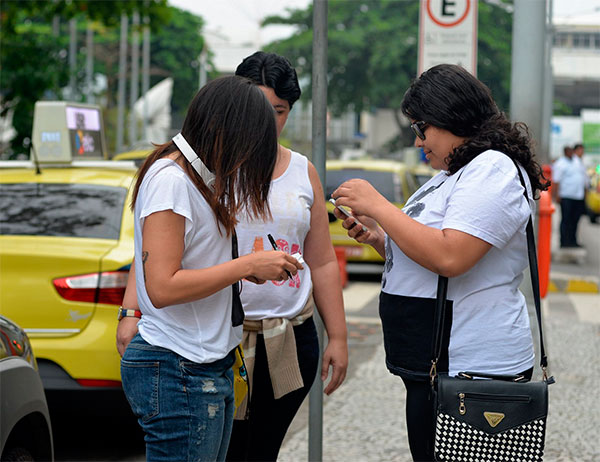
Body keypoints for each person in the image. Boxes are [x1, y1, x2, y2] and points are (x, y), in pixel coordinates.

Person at [117, 52, 348, 462]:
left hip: (227, 350)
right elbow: (160, 276)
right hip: (186, 359)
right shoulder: (181, 179)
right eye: (257, 122)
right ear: (230, 118)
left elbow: (323, 259)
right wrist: (247, 267)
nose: (263, 140)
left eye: (278, 113)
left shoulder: (204, 174)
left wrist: (338, 335)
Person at [331, 64, 549, 461]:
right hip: (437, 363)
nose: (418, 142)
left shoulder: (492, 169)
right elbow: (431, 252)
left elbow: (451, 256)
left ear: (451, 118)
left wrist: (379, 205)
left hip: (471, 366)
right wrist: (382, 238)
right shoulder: (456, 171)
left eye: (421, 128)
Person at [552, 144, 587, 247]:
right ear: (565, 152)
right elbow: (556, 181)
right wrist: (556, 195)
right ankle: (564, 242)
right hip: (566, 196)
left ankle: (573, 241)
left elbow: (583, 178)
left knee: (575, 220)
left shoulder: (577, 162)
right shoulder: (560, 164)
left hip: (578, 196)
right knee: (566, 219)